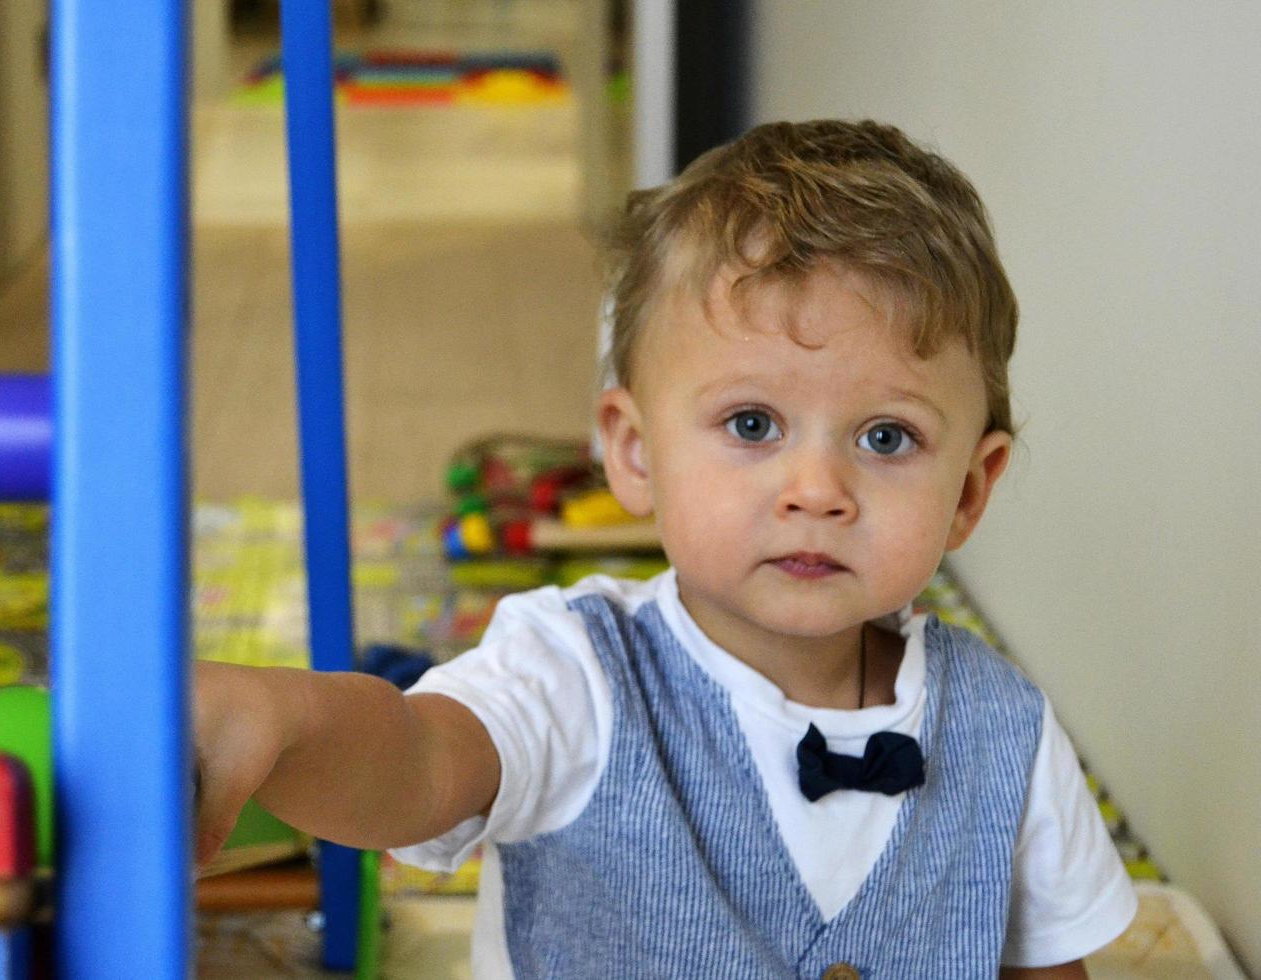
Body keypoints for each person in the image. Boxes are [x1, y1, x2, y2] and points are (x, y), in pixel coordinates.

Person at [193, 119, 1136, 978]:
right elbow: (415, 762)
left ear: (969, 489)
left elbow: (1043, 966)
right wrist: (284, 715)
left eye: (885, 438)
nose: (816, 491)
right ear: (635, 454)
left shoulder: (1004, 729)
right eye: (754, 423)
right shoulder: (572, 671)